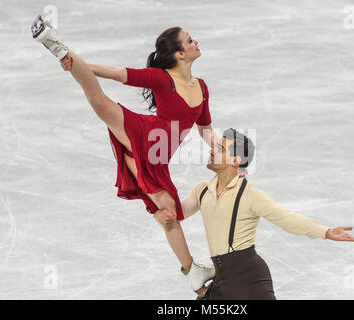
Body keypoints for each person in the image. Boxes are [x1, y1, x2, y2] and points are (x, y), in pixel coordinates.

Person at [31, 15, 218, 295]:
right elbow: (119, 74)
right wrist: (76, 64)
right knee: (98, 99)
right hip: (143, 133)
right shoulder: (161, 79)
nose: (196, 42)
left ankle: (193, 275)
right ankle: (60, 48)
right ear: (180, 53)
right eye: (190, 40)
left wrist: (221, 148)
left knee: (168, 214)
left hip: (156, 158)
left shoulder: (201, 88)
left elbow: (205, 129)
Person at [155, 128, 354, 299]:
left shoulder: (250, 195)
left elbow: (286, 218)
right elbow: (176, 215)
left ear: (235, 160)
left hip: (249, 280)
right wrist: (161, 214)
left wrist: (326, 231)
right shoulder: (202, 190)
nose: (211, 150)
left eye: (220, 149)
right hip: (221, 279)